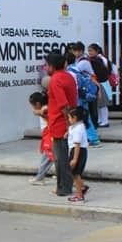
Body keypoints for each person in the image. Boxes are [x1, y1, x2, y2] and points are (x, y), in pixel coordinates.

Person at [46, 51, 77, 197]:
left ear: (52, 66)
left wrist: (68, 125)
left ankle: (64, 187)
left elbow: (63, 105)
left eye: (47, 65)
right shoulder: (68, 76)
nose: (46, 68)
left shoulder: (55, 80)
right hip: (66, 122)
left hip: (60, 124)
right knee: (63, 157)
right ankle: (65, 185)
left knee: (61, 159)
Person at [28, 91, 54, 185]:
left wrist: (40, 113)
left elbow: (49, 118)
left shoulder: (45, 109)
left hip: (50, 134)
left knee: (47, 156)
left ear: (38, 104)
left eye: (33, 105)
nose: (33, 108)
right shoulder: (44, 108)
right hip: (47, 134)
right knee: (51, 156)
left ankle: (39, 178)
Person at [66, 106, 90, 203]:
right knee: (75, 173)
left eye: (69, 117)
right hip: (78, 151)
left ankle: (79, 195)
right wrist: (67, 133)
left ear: (75, 118)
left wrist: (75, 159)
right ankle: (82, 187)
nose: (68, 120)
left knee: (75, 174)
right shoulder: (77, 126)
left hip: (78, 151)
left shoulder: (78, 129)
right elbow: (71, 131)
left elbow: (77, 144)